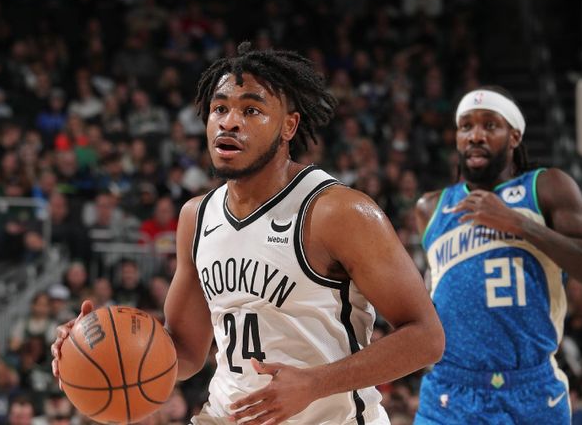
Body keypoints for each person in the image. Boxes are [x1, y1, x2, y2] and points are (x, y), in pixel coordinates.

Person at [53, 43, 445, 424]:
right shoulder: (197, 216)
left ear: (289, 125)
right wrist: (97, 349)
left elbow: (426, 338)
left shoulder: (337, 212)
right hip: (225, 416)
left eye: (252, 110)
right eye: (219, 108)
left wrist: (315, 383)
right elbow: (185, 354)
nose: (229, 121)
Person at [414, 86, 582, 424]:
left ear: (514, 136)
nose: (476, 136)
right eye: (466, 127)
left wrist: (520, 225)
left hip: (531, 388)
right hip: (450, 390)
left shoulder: (546, 188)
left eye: (490, 126)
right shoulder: (430, 207)